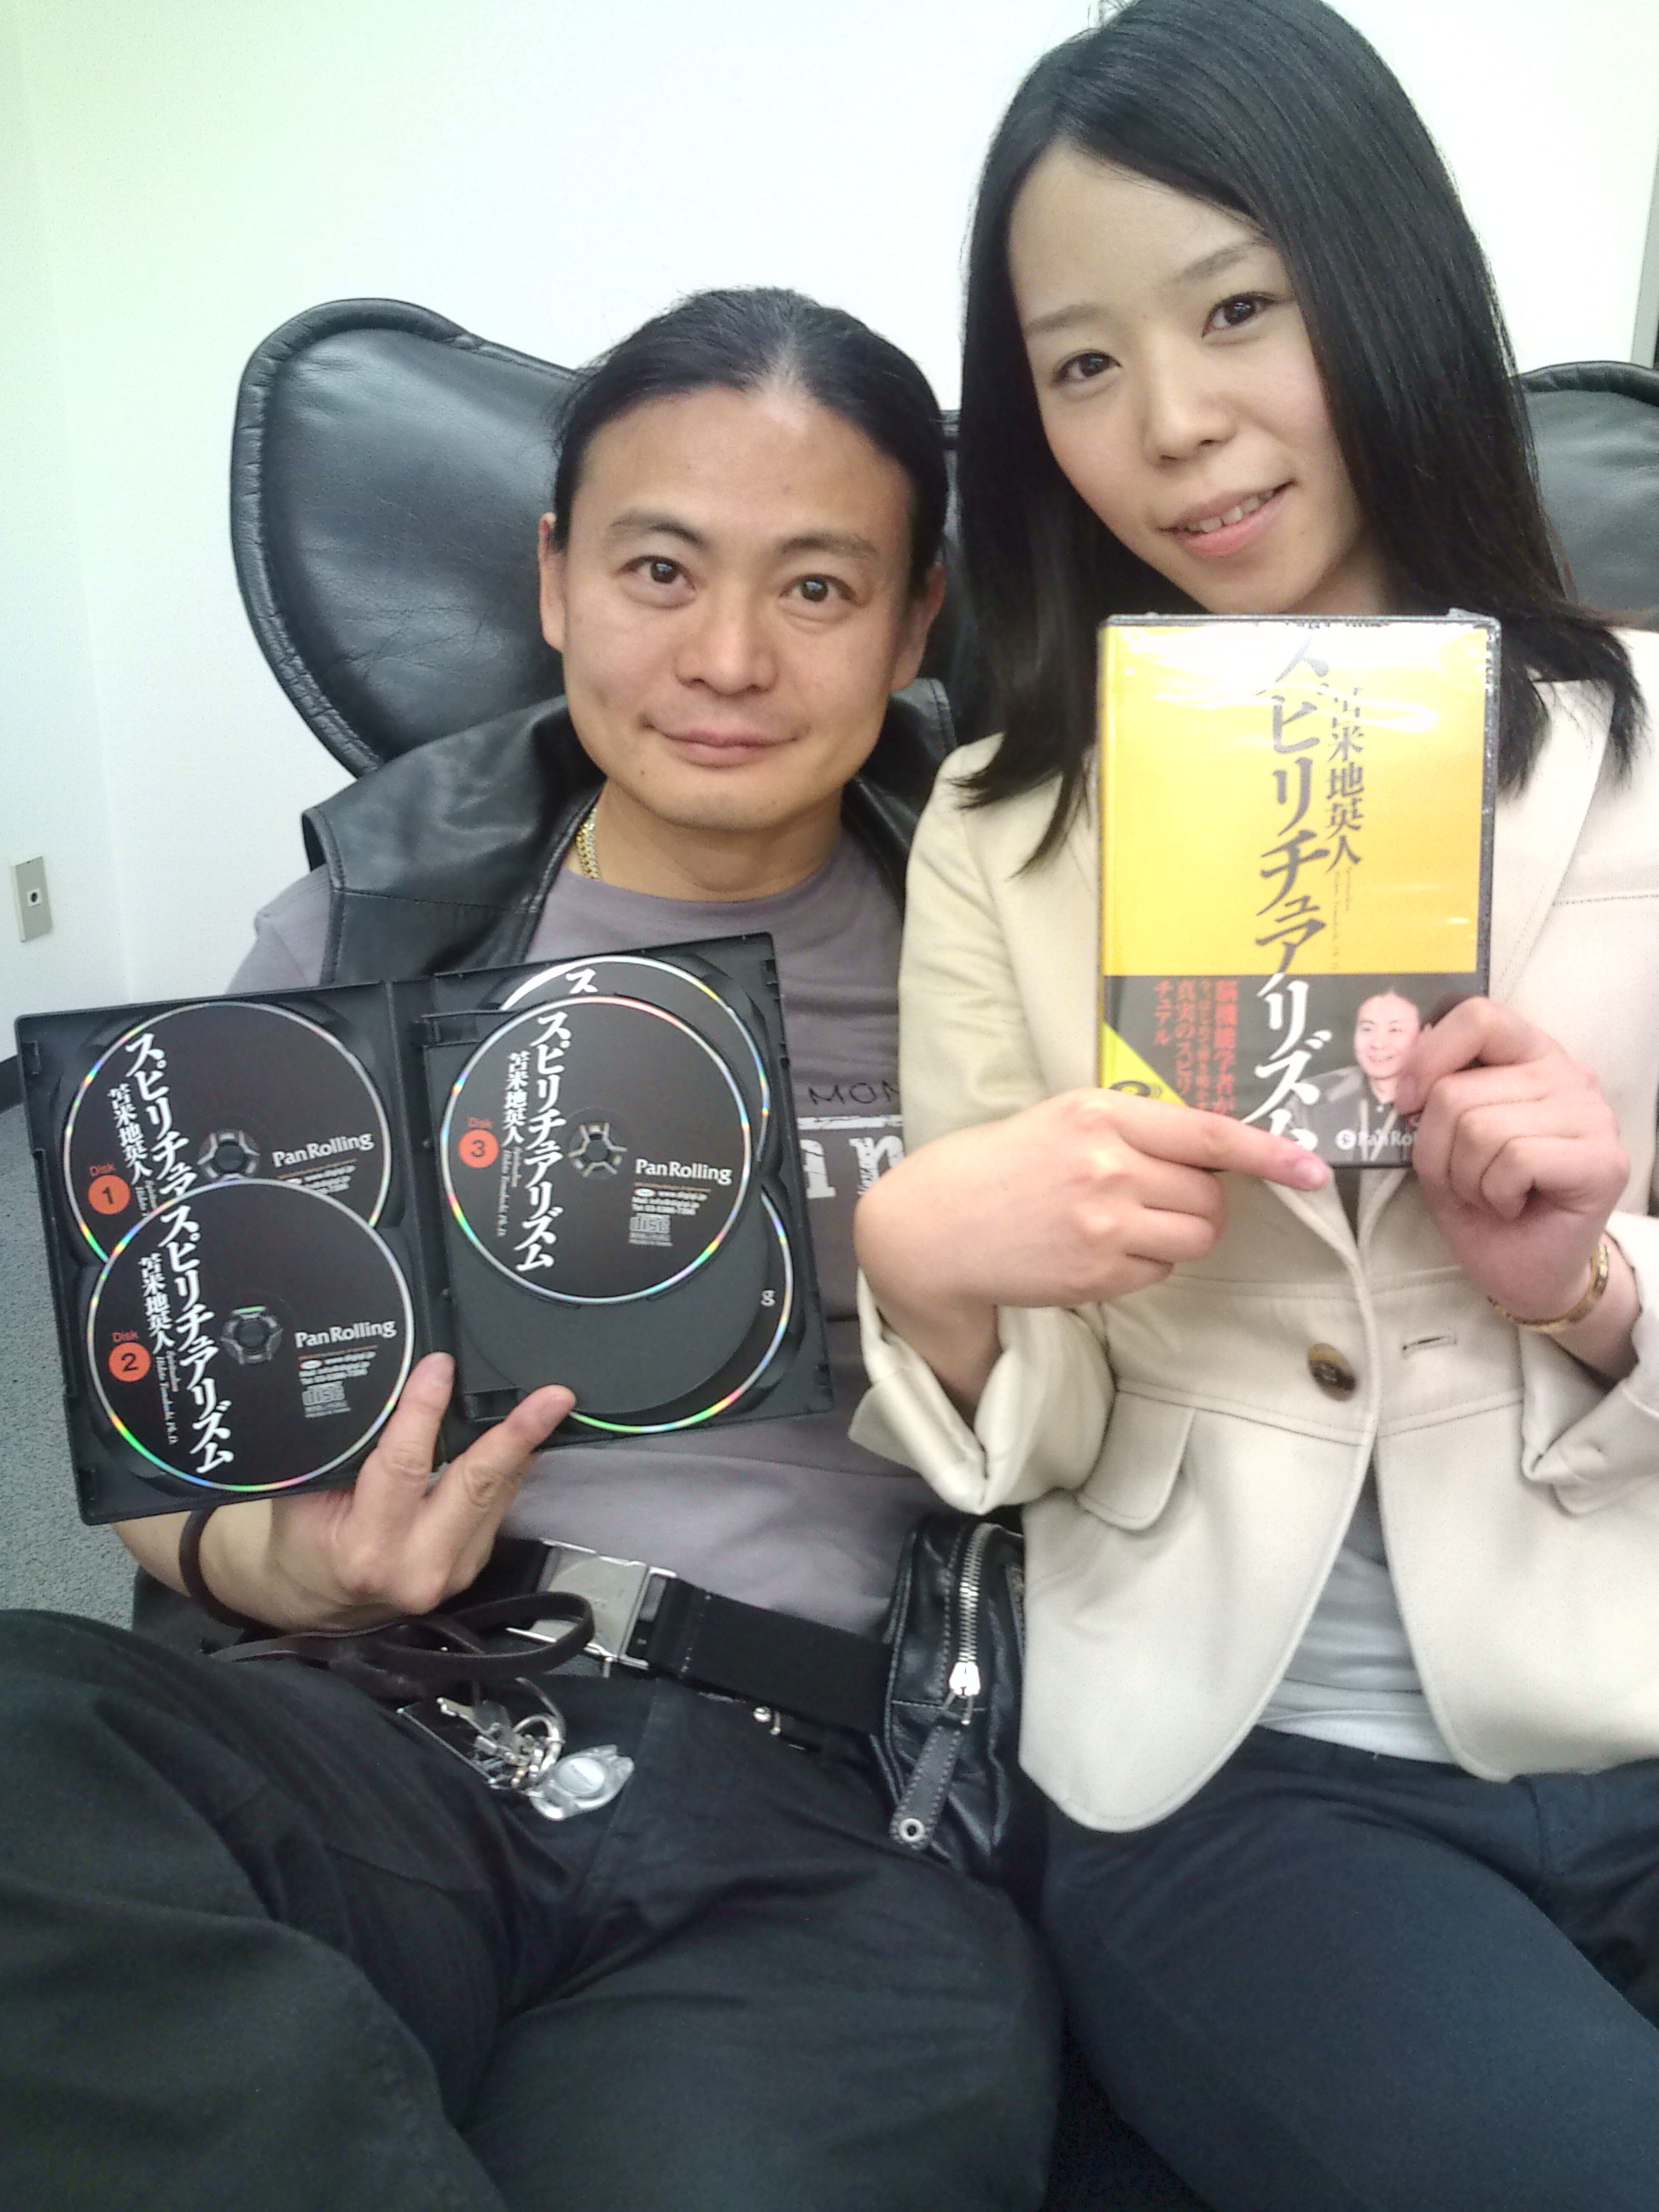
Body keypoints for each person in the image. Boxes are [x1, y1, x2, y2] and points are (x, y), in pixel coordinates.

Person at [0, 289, 1059, 2212]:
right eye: (660, 568)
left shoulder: (1021, 961)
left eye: (818, 588)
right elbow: (172, 1445)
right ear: (555, 578)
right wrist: (290, 1563)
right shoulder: (373, 920)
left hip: (820, 1798)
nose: (727, 656)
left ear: (915, 626)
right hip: (392, 1715)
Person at [849, 5, 1659, 2209]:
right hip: (1252, 1765)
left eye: (1236, 311)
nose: (1173, 424)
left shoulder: (1649, 744)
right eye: (1080, 362)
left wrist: (1587, 1283)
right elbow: (1041, 1439)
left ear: (1385, 291)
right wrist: (937, 1279)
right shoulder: (1003, 829)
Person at [1300, 988, 1423, 1165]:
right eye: (1367, 1029)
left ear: (1423, 1034)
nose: (1378, 1043)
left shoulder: (1443, 1096)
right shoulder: (1311, 1097)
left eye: (1395, 1030)